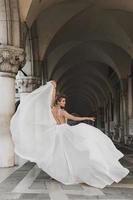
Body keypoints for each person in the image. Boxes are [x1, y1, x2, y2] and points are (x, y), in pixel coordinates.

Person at [10, 80, 129, 189]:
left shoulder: (51, 109)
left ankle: (57, 174)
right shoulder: (61, 111)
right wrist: (87, 117)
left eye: (64, 101)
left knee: (57, 154)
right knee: (67, 153)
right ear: (58, 101)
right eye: (63, 101)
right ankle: (66, 172)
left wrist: (53, 87)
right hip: (63, 132)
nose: (64, 102)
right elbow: (74, 117)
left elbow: (51, 99)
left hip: (55, 133)